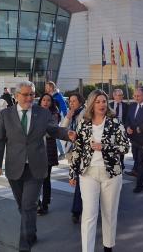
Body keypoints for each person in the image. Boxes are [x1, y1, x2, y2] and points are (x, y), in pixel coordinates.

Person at [0, 81, 74, 251]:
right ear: (16, 96)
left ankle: (24, 244)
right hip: (15, 167)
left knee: (29, 205)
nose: (29, 98)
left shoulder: (42, 113)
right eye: (25, 94)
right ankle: (31, 231)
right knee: (22, 206)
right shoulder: (6, 115)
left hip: (36, 167)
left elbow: (54, 130)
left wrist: (68, 134)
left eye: (32, 94)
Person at [69, 90, 129, 252]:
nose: (102, 104)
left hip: (111, 174)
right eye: (98, 102)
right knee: (89, 215)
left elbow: (125, 147)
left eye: (104, 101)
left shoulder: (115, 122)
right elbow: (78, 149)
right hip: (88, 174)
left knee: (109, 214)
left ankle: (108, 248)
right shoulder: (84, 123)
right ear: (91, 104)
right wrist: (72, 172)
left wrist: (105, 147)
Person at [60, 92, 85, 223]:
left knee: (81, 181)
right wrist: (68, 117)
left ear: (80, 102)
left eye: (74, 101)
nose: (72, 103)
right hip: (73, 151)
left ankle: (77, 210)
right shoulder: (71, 114)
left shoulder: (85, 113)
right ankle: (78, 209)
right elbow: (62, 130)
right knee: (78, 181)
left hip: (83, 152)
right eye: (70, 101)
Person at [36, 93, 60, 215]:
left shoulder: (54, 114)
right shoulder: (34, 113)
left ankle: (44, 204)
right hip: (35, 150)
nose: (45, 102)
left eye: (48, 100)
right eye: (43, 100)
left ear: (51, 103)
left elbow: (52, 131)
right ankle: (37, 202)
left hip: (48, 149)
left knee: (46, 178)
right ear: (40, 102)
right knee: (35, 178)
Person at [45, 81, 69, 157]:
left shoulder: (57, 96)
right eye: (46, 87)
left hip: (55, 118)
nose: (46, 88)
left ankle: (62, 153)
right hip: (48, 118)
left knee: (54, 135)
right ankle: (59, 153)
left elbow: (64, 106)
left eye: (47, 87)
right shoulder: (49, 96)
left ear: (51, 87)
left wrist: (65, 117)